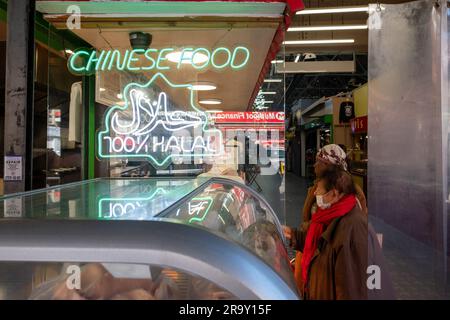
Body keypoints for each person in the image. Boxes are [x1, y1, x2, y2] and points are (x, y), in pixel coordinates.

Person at [283, 168, 394, 299]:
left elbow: (352, 289)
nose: (315, 194)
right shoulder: (333, 215)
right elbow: (323, 243)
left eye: (319, 190)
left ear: (334, 194)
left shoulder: (352, 231)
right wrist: (295, 235)